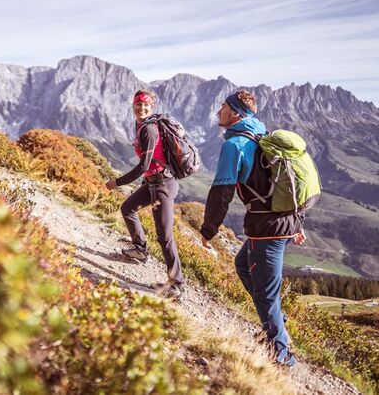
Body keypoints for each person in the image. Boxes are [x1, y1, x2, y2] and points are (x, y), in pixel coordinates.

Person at [199, 89, 305, 367]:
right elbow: (290, 184)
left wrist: (208, 230)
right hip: (284, 221)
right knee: (243, 264)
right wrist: (297, 222)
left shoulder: (235, 145)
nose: (218, 111)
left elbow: (222, 191)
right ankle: (277, 322)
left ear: (235, 112)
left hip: (266, 228)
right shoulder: (264, 135)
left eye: (222, 107)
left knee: (266, 293)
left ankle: (281, 354)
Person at [105, 89, 185, 298]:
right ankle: (140, 250)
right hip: (153, 183)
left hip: (163, 186)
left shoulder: (149, 129)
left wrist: (118, 182)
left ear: (152, 107)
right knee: (128, 208)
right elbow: (149, 166)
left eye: (145, 105)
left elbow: (144, 165)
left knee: (164, 236)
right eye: (138, 104)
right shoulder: (141, 125)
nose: (141, 108)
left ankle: (176, 284)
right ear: (133, 106)